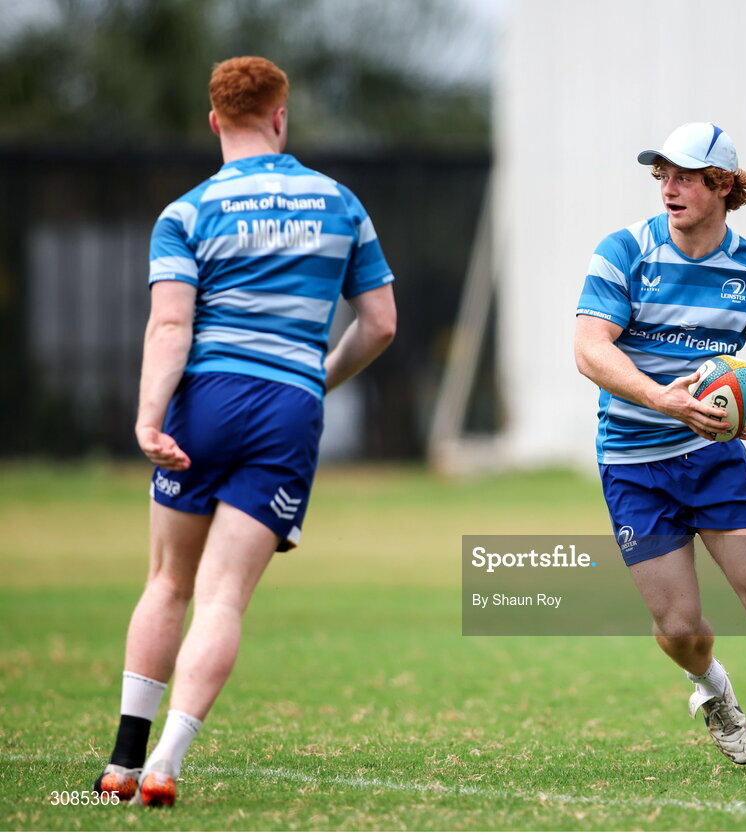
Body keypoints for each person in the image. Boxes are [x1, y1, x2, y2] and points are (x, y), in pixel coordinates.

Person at [92, 56, 397, 807]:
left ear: (215, 121)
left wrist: (146, 415)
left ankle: (122, 762)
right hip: (288, 407)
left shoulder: (187, 212)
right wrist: (313, 380)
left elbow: (170, 325)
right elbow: (381, 323)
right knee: (222, 598)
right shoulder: (341, 203)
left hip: (206, 398)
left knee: (168, 580)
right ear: (281, 117)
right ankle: (166, 761)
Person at [574, 122, 746, 780]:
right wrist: (661, 398)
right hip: (635, 463)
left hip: (715, 457)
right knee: (678, 627)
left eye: (685, 176)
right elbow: (589, 347)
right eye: (661, 174)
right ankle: (714, 687)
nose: (668, 187)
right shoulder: (624, 252)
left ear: (721, 185)